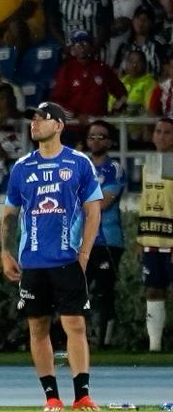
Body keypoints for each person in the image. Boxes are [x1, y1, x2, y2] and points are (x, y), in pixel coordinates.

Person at [0, 101, 101, 411]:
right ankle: (51, 397)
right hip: (32, 262)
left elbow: (93, 210)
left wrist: (84, 252)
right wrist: (5, 252)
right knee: (38, 328)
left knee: (76, 325)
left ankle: (82, 395)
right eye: (32, 118)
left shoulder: (79, 162)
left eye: (41, 118)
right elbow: (9, 214)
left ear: (58, 125)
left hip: (67, 260)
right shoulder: (22, 168)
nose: (34, 123)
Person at [85, 121, 126, 350]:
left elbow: (103, 203)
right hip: (81, 241)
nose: (96, 140)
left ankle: (105, 341)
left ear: (110, 141)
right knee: (79, 290)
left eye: (102, 136)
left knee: (103, 291)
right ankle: (84, 339)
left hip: (108, 240)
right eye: (92, 136)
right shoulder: (79, 167)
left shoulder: (115, 168)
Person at [137, 118, 173, 353]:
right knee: (153, 290)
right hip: (151, 239)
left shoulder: (171, 164)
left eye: (167, 132)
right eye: (158, 131)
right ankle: (155, 346)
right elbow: (146, 202)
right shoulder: (148, 164)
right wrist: (140, 239)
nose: (161, 136)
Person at [50, 31, 126, 130]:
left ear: (91, 47)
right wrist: (76, 116)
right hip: (73, 128)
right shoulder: (66, 70)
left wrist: (115, 111)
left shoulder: (102, 68)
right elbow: (57, 102)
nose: (82, 48)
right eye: (77, 44)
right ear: (72, 49)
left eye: (85, 44)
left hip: (98, 128)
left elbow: (122, 94)